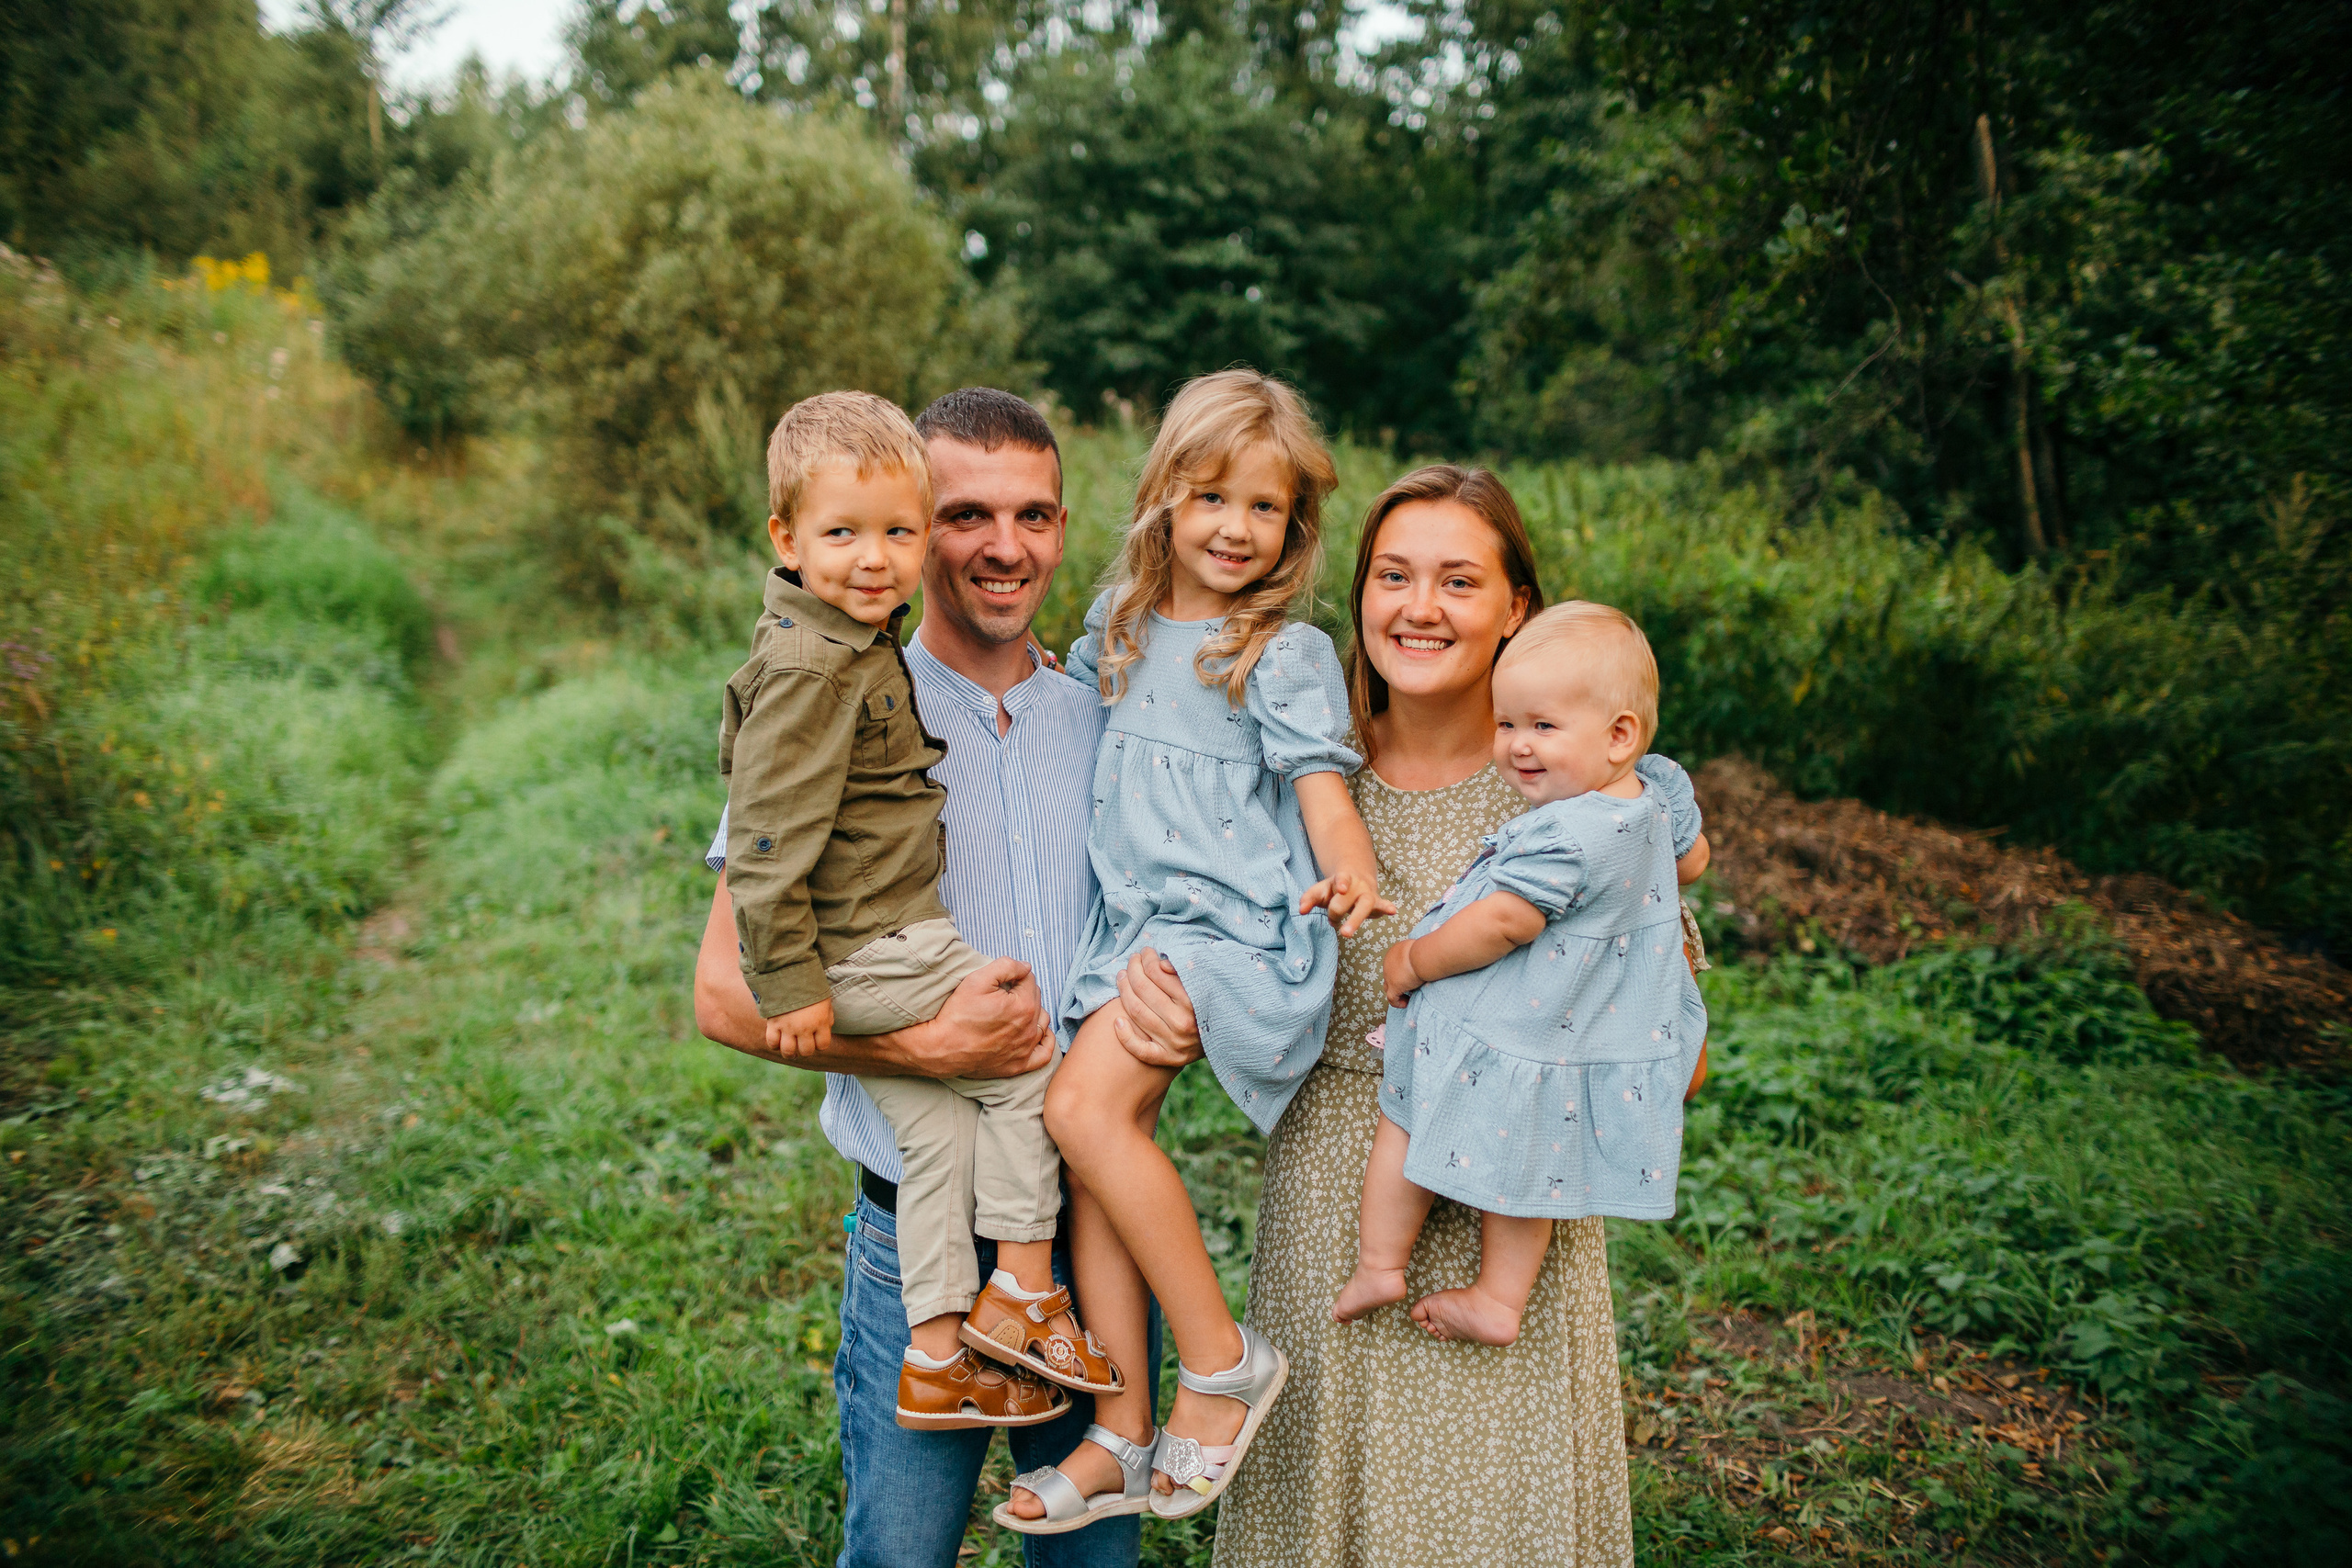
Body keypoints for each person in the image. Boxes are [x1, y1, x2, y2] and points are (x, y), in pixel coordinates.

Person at [695, 388, 1189, 1568]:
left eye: (1034, 514)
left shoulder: (1110, 719)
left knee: (1091, 1560)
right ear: (917, 520)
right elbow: (723, 995)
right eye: (965, 513)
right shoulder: (836, 704)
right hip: (913, 1239)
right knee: (900, 1554)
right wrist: (924, 1052)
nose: (1003, 547)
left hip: (1093, 1240)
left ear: (1065, 527)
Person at [1208, 465, 1708, 1568]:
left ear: (1514, 608)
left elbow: (1676, 1047)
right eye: (1392, 575)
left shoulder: (1569, 788)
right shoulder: (1298, 771)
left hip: (1511, 1194)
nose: (1417, 607)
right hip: (1334, 1190)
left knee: (1484, 1522)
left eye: (1457, 580)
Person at [1001, 371, 1390, 1535]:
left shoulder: (1275, 653)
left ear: (1294, 527)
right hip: (1130, 930)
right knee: (1089, 1160)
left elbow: (1319, 790)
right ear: (1164, 494)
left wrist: (1350, 863)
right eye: (1211, 496)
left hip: (1224, 931)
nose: (1235, 528)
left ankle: (1220, 1367)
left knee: (1079, 1117)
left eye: (1264, 509)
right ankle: (1118, 1434)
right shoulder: (1117, 620)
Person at [1337, 602, 1708, 1347]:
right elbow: (1691, 861)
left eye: (1542, 727)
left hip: (1508, 1023)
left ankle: (1381, 1260)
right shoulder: (1654, 795)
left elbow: (1505, 922)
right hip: (1585, 1029)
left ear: (1619, 735)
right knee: (1532, 1163)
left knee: (1405, 1113)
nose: (1516, 748)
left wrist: (1414, 956)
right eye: (1507, 725)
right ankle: (1500, 1298)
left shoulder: (1566, 835)